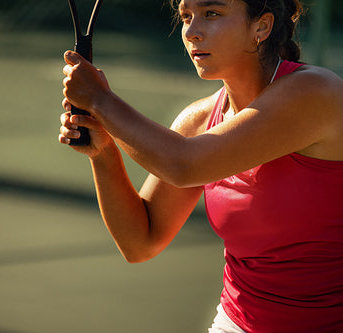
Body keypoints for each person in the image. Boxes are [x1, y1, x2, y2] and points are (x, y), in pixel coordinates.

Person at [59, 0, 343, 332]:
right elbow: (140, 240)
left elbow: (184, 164)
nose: (193, 32)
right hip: (235, 323)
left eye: (211, 14)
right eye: (186, 17)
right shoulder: (199, 121)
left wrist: (99, 100)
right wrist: (103, 153)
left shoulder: (317, 92)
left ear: (261, 27)